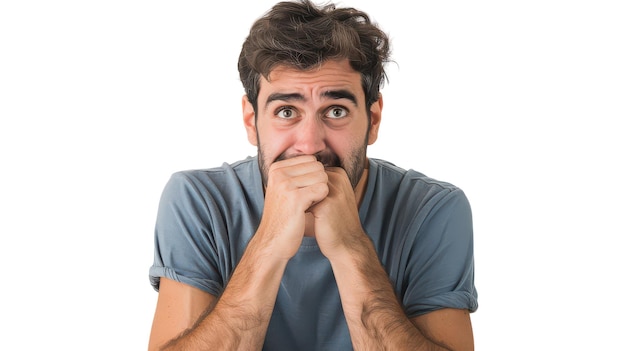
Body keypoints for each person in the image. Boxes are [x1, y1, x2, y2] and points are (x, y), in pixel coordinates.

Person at [147, 0, 478, 349]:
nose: (309, 145)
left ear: (373, 119)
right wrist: (269, 243)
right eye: (286, 111)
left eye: (336, 111)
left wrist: (351, 247)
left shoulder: (433, 210)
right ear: (251, 121)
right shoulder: (198, 201)